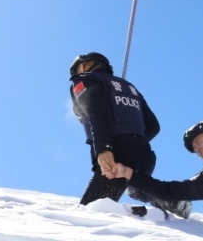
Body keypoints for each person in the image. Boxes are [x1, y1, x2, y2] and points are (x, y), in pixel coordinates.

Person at [69, 52, 190, 218]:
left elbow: (96, 112)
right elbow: (153, 126)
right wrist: (134, 141)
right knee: (135, 189)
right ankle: (168, 200)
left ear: (82, 67)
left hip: (116, 156)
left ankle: (148, 215)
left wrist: (104, 149)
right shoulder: (130, 88)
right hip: (144, 155)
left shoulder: (85, 80)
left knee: (90, 213)